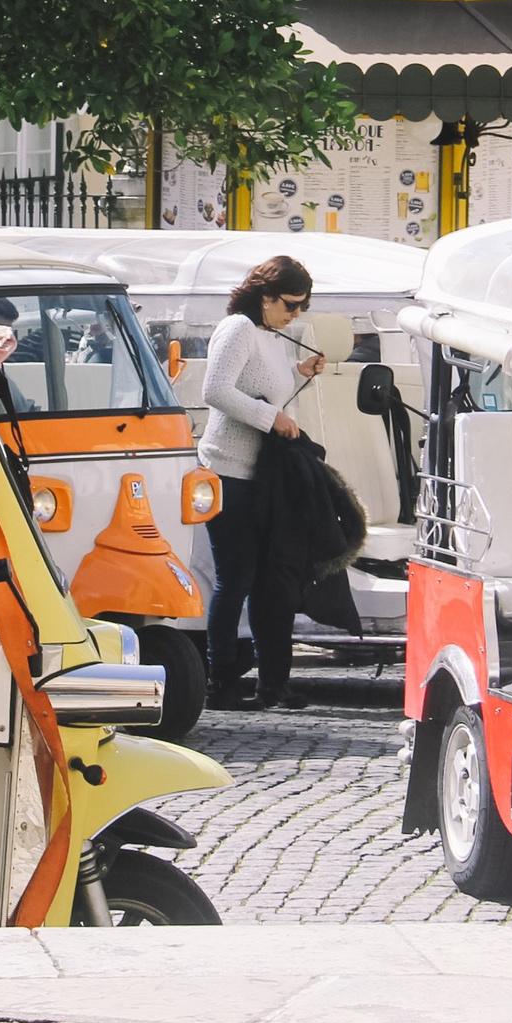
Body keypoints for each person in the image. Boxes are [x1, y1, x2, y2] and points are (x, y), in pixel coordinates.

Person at [199, 254, 325, 709]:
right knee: (235, 579)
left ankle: (269, 681)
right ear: (265, 296)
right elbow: (214, 390)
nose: (296, 315)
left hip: (261, 474)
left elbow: (260, 384)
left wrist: (298, 373)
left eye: (302, 307)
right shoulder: (237, 328)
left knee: (267, 579)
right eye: (291, 305)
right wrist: (271, 418)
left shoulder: (268, 334)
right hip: (228, 470)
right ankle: (219, 681)